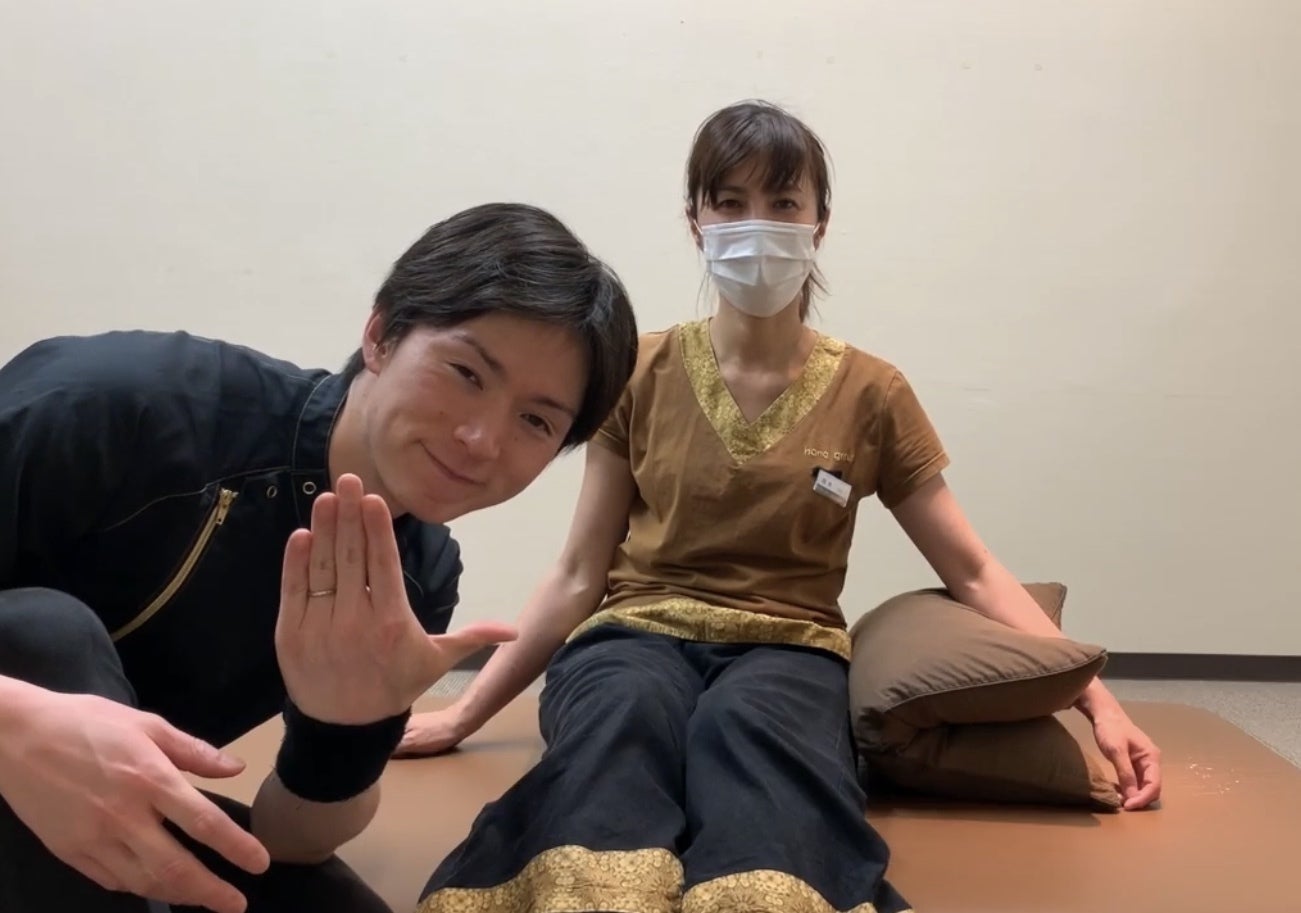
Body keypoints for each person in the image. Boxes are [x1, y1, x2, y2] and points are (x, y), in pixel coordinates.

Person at [403, 103, 1163, 913]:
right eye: (729, 203)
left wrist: (1096, 700)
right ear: (695, 221)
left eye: (782, 202)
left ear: (818, 224)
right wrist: (462, 713)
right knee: (624, 713)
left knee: (750, 730)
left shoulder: (872, 392)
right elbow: (578, 571)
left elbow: (971, 569)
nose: (754, 225)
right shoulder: (637, 370)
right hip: (633, 632)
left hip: (788, 647)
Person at [0, 202, 639, 913]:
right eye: (466, 372)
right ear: (380, 335)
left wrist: (343, 735)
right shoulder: (112, 406)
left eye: (535, 421)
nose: (482, 439)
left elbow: (289, 840)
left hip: (96, 832)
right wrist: (16, 726)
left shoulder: (414, 577)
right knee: (42, 634)